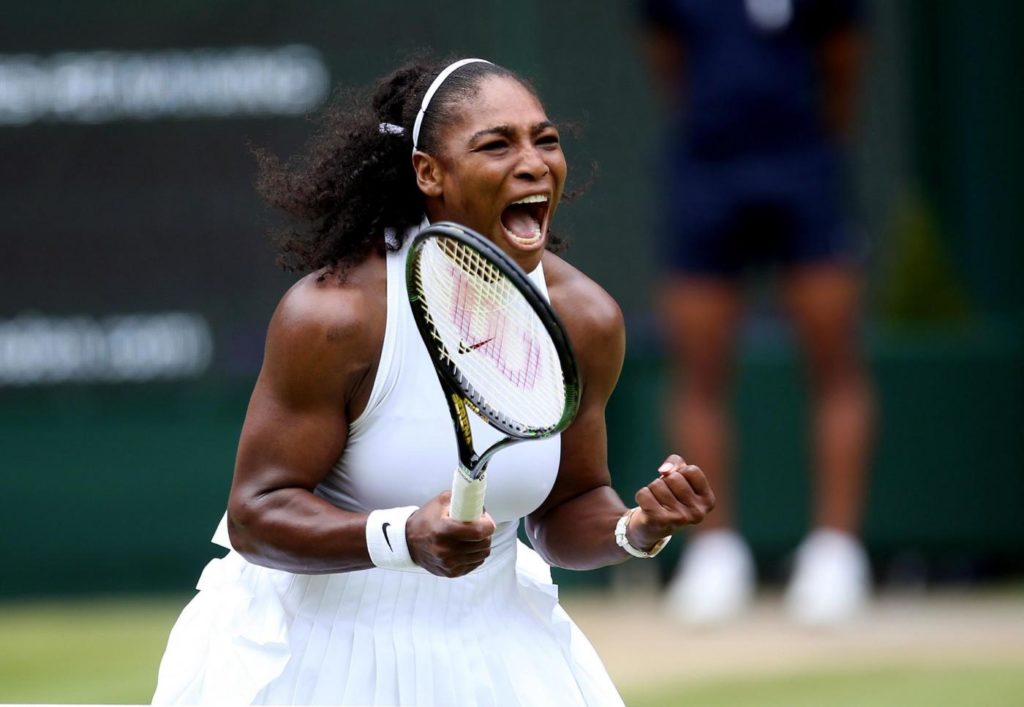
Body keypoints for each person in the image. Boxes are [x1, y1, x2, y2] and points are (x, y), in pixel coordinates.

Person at [151, 57, 716, 706]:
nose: (533, 164)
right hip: (315, 655)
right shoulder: (337, 318)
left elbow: (569, 504)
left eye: (546, 140)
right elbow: (257, 515)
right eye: (496, 145)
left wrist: (634, 529)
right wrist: (400, 538)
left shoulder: (584, 321)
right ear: (429, 173)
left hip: (497, 657)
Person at [639, 0, 875, 627]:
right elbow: (669, 63)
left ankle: (836, 554)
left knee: (835, 363)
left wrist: (808, 139)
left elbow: (843, 64)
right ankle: (714, 553)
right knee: (697, 368)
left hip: (806, 165)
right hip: (707, 168)